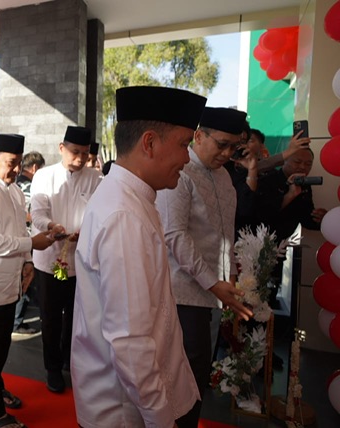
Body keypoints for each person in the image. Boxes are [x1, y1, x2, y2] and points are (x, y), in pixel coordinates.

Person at [72, 86, 207, 428]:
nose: (188, 158)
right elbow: (130, 340)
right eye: (183, 144)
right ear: (149, 143)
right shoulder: (123, 214)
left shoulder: (133, 200)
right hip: (126, 411)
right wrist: (162, 420)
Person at [156, 107, 255, 428]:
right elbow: (174, 236)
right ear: (198, 136)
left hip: (214, 291)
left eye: (235, 147)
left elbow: (224, 233)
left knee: (198, 373)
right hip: (182, 292)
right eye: (222, 144)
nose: (227, 153)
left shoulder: (224, 176)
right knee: (182, 376)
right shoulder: (180, 174)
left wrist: (230, 275)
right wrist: (214, 282)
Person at [0, 133, 55, 428]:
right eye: (11, 163)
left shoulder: (14, 191)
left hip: (12, 283)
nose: (16, 169)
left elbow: (21, 231)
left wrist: (28, 262)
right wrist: (31, 246)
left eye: (19, 163)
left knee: (0, 348)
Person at [30, 125, 103, 393]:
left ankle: (70, 361)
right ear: (61, 148)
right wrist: (53, 226)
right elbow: (37, 214)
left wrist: (86, 232)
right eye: (75, 152)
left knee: (76, 316)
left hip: (80, 263)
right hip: (52, 262)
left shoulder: (95, 178)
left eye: (85, 153)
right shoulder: (44, 176)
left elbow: (98, 214)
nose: (81, 158)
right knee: (50, 316)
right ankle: (52, 367)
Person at [256, 148, 327, 244]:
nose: (302, 167)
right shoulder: (267, 180)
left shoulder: (304, 184)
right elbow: (263, 214)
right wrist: (290, 194)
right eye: (297, 162)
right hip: (256, 242)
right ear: (284, 160)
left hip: (282, 244)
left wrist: (321, 219)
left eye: (308, 164)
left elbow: (306, 219)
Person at [13, 150, 46, 335]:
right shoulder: (29, 186)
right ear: (35, 168)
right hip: (27, 240)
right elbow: (30, 214)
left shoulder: (15, 184)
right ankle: (17, 323)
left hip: (20, 240)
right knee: (25, 281)